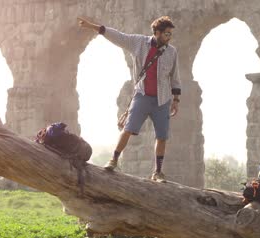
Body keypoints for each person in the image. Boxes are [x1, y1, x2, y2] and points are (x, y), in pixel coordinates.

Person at [77, 16, 182, 181]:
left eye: (171, 34)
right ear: (157, 32)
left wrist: (176, 100)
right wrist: (93, 27)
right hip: (142, 96)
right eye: (167, 34)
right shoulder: (139, 43)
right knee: (128, 128)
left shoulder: (171, 51)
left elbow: (175, 77)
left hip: (162, 99)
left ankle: (158, 172)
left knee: (162, 136)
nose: (169, 37)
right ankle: (114, 160)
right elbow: (118, 36)